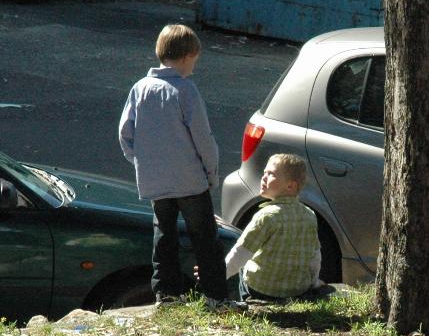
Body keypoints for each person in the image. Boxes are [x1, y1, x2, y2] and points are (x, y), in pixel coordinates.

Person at [118, 24, 243, 311]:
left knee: (164, 235)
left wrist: (141, 162)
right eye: (195, 60)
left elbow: (126, 133)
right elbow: (203, 138)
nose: (194, 67)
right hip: (189, 180)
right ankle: (216, 298)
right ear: (188, 56)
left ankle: (167, 295)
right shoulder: (185, 90)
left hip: (156, 182)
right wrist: (211, 173)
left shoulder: (140, 88)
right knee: (206, 240)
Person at [224, 153, 328, 303]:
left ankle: (243, 300)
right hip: (297, 289)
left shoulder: (266, 216)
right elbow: (315, 255)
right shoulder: (309, 215)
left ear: (291, 186)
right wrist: (314, 281)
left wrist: (217, 275)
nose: (264, 177)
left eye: (271, 174)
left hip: (262, 290)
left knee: (242, 268)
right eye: (264, 173)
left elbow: (241, 252)